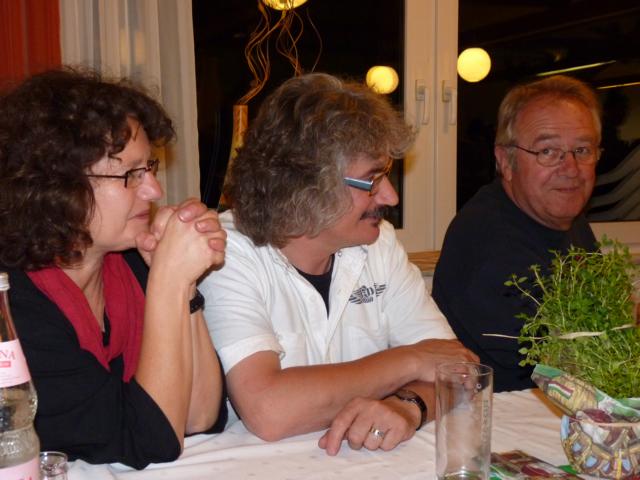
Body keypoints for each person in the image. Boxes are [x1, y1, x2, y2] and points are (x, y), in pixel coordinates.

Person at [200, 73, 477, 455]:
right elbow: (269, 410)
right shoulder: (225, 253)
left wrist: (408, 405)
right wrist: (410, 360)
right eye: (372, 180)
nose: (391, 197)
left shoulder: (379, 244)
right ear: (305, 185)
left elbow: (456, 368)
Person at [0, 68, 228, 469]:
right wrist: (169, 280)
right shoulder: (15, 307)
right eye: (131, 174)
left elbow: (201, 416)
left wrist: (185, 288)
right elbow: (150, 440)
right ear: (59, 185)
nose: (155, 190)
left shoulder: (128, 265)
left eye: (150, 168)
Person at [432, 75, 600, 393]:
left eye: (582, 149)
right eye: (547, 151)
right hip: (499, 411)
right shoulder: (484, 238)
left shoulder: (567, 218)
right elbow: (566, 363)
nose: (571, 168)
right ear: (505, 161)